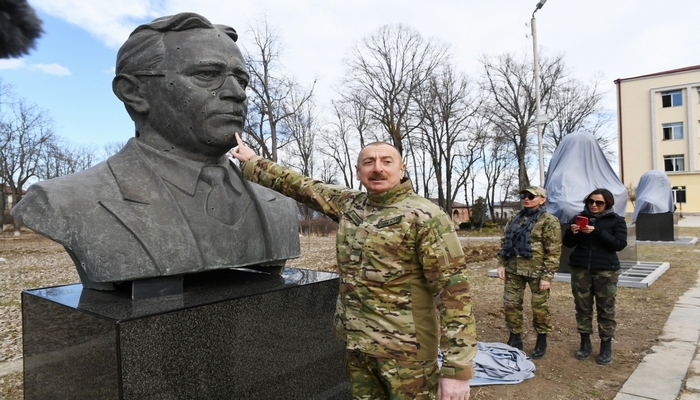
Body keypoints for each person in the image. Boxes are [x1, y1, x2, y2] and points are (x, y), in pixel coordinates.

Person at [10, 13, 299, 290]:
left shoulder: (280, 204)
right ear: (134, 92)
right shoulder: (67, 200)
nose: (238, 93)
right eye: (207, 74)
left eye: (242, 80)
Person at [230, 132, 476, 400]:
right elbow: (300, 185)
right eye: (369, 162)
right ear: (358, 171)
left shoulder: (426, 216)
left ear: (402, 168)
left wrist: (456, 370)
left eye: (386, 161)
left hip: (406, 355)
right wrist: (252, 161)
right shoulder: (351, 205)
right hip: (358, 347)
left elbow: (454, 294)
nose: (378, 168)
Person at [563, 188, 627, 365]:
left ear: (607, 204)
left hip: (606, 270)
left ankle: (606, 346)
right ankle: (585, 343)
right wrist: (571, 232)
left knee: (606, 309)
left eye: (599, 203)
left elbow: (619, 244)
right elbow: (568, 244)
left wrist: (597, 232)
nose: (594, 205)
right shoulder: (578, 218)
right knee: (582, 307)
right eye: (591, 201)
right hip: (581, 269)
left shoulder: (616, 221)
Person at [496, 186, 561, 359]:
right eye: (524, 195)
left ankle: (541, 339)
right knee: (511, 304)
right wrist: (501, 263)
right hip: (514, 269)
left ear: (542, 199)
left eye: (531, 196)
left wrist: (547, 276)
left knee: (539, 307)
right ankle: (515, 337)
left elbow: (553, 251)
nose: (527, 198)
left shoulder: (549, 221)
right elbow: (505, 242)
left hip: (537, 271)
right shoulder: (515, 218)